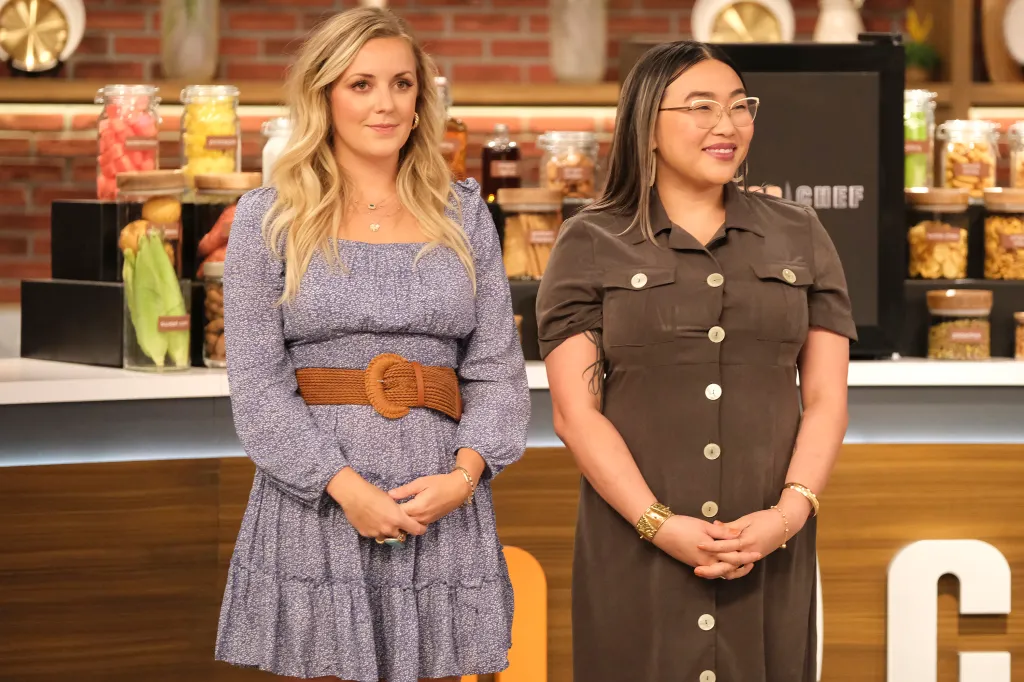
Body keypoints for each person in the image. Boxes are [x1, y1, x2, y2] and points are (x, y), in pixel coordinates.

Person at [214, 8, 530, 682]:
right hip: (319, 505)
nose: (385, 103)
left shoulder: (465, 214)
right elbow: (258, 388)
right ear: (324, 97)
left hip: (440, 502)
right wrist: (342, 487)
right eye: (361, 85)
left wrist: (464, 478)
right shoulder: (266, 220)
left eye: (402, 84)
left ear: (421, 103)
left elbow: (497, 369)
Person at [536, 40, 856, 682]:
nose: (727, 125)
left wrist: (786, 517)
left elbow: (825, 399)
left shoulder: (800, 233)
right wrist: (659, 524)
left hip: (768, 543)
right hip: (636, 542)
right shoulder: (591, 240)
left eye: (740, 107)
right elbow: (577, 414)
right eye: (701, 106)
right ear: (646, 125)